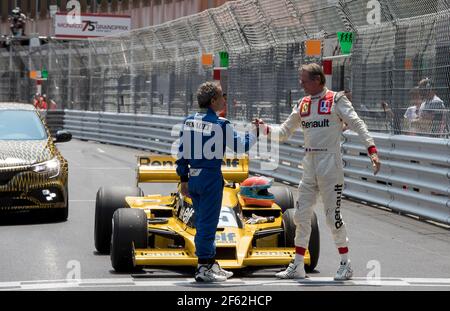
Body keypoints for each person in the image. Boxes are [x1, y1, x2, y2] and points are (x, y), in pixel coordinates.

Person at [255, 63, 381, 280]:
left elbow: (358, 123)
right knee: (301, 215)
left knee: (333, 217)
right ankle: (297, 265)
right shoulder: (302, 104)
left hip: (330, 163)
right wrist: (264, 129)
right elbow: (284, 133)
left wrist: (372, 149)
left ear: (317, 80)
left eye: (304, 80)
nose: (300, 84)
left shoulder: (337, 99)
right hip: (309, 163)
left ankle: (345, 263)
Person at [175, 82, 257, 282]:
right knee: (208, 224)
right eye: (222, 96)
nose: (224, 99)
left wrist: (183, 179)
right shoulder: (221, 124)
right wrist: (255, 132)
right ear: (213, 101)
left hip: (192, 179)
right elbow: (240, 146)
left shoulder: (187, 121)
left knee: (202, 220)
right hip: (210, 178)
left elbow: (182, 153)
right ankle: (203, 267)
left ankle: (211, 263)